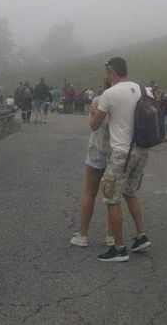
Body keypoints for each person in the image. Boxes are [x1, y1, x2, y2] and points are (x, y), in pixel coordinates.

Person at [90, 57, 151, 262]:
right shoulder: (144, 89)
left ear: (111, 72)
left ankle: (119, 248)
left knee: (110, 196)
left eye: (106, 73)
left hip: (121, 152)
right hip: (142, 150)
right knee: (130, 192)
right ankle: (141, 236)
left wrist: (93, 114)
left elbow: (94, 125)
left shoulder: (110, 94)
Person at [70, 89, 114, 248]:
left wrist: (94, 114)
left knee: (89, 194)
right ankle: (111, 235)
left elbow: (92, 125)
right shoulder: (123, 101)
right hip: (114, 152)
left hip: (96, 149)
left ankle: (83, 235)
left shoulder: (98, 99)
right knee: (112, 196)